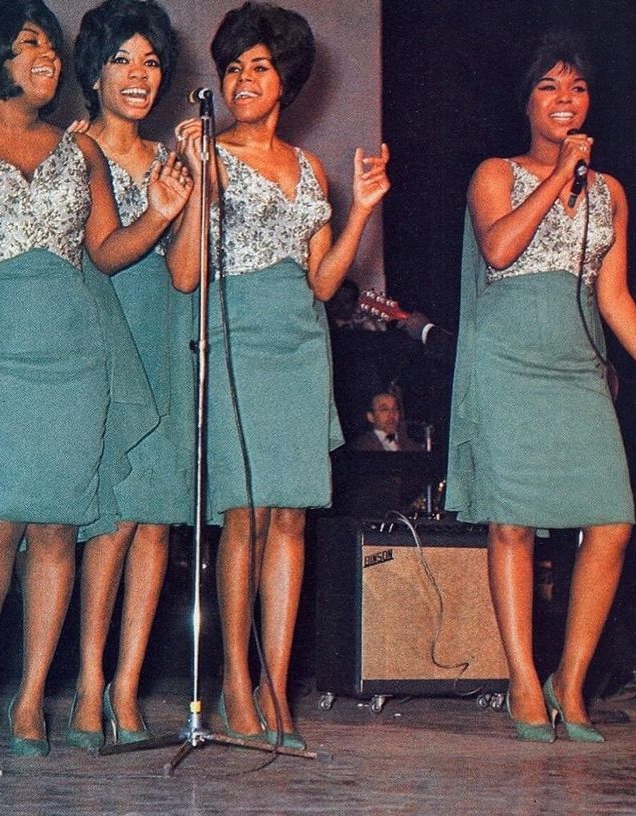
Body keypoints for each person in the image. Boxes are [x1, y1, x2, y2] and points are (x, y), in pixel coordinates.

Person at [0, 0, 191, 759]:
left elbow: (105, 252)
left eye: (53, 49)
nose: (51, 60)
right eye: (33, 44)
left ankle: (30, 698)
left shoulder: (80, 153)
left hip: (72, 351)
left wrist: (160, 214)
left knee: (59, 526)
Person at [170, 1, 389, 748]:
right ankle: (235, 680)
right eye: (232, 67)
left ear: (286, 79)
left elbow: (325, 281)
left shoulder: (308, 166)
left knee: (290, 516)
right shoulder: (208, 155)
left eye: (258, 66)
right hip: (232, 338)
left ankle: (277, 687)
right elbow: (183, 273)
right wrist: (200, 177)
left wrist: (360, 213)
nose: (241, 79)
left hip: (300, 345)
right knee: (247, 517)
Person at [446, 31, 636, 743]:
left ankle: (571, 679)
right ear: (526, 101)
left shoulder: (611, 194)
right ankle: (525, 681)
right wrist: (560, 174)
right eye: (550, 88)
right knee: (514, 523)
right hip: (507, 363)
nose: (566, 100)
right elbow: (499, 247)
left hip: (576, 367)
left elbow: (614, 299)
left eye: (577, 88)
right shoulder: (493, 172)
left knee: (612, 523)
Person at [66, 0, 199, 749]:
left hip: (162, 330)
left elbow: (183, 275)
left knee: (155, 522)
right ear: (95, 69)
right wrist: (158, 213)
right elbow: (106, 251)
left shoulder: (168, 160)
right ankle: (87, 688)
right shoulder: (78, 150)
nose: (140, 74)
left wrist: (198, 187)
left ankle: (127, 689)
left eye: (150, 60)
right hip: (103, 336)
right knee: (111, 523)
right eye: (123, 59)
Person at [350, 391, 423, 452]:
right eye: (384, 410)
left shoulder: (412, 446)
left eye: (395, 409)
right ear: (371, 417)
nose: (392, 415)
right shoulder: (361, 446)